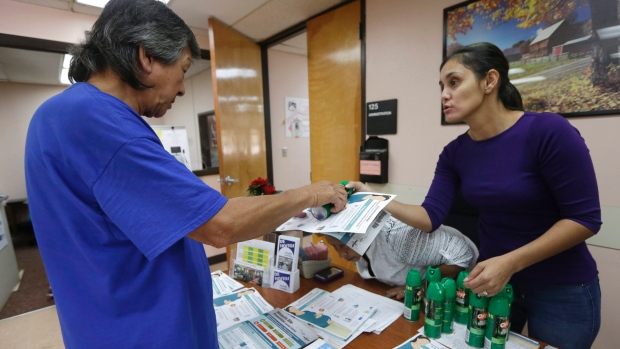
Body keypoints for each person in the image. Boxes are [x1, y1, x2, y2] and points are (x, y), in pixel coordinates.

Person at [23, 1, 347, 348]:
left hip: (109, 319)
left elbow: (170, 213)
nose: (181, 87)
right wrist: (309, 194)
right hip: (143, 331)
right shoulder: (98, 122)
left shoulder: (62, 116)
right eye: (183, 68)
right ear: (145, 57)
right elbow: (221, 225)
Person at [347, 42, 602, 349]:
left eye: (454, 82)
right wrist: (375, 198)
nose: (444, 94)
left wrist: (510, 263)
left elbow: (585, 219)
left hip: (561, 289)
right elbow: (429, 217)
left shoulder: (548, 131)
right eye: (441, 86)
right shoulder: (455, 154)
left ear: (489, 81)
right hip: (492, 283)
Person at [321, 217, 478, 300]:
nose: (341, 255)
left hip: (459, 290)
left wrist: (421, 287)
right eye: (334, 246)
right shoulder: (359, 241)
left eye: (343, 246)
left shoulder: (398, 236)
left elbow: (463, 256)